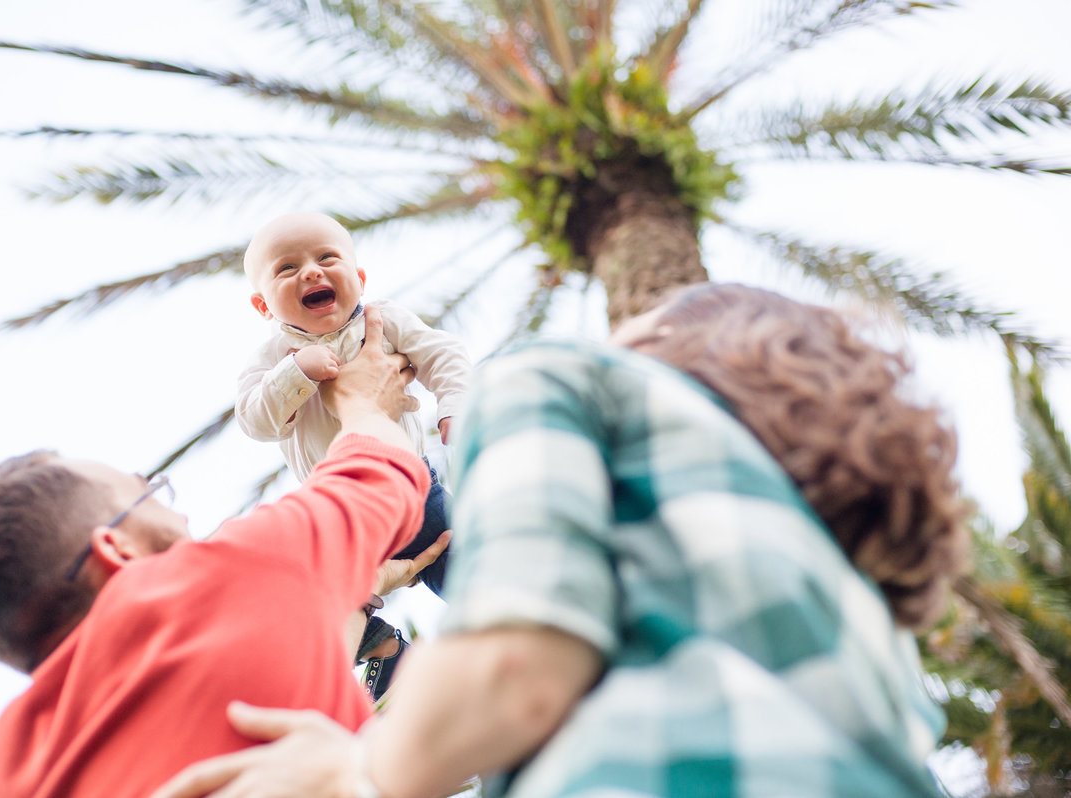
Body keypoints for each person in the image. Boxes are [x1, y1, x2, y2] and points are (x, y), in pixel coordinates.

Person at [153, 283, 969, 798]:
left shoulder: (564, 379)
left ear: (660, 361)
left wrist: (353, 777)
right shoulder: (855, 627)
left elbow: (515, 674)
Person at [0, 307, 445, 798]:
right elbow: (380, 471)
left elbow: (274, 663)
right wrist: (365, 400)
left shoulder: (1, 775)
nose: (183, 517)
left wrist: (357, 588)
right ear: (115, 547)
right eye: (147, 492)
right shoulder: (223, 575)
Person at [235, 211, 472, 694]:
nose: (311, 272)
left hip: (411, 492)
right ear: (263, 306)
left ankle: (511, 627)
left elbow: (442, 353)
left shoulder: (381, 322)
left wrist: (456, 404)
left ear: (358, 278)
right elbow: (254, 419)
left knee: (467, 567)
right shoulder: (272, 358)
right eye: (287, 268)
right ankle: (383, 651)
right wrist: (295, 372)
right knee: (304, 593)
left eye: (327, 258)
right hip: (338, 514)